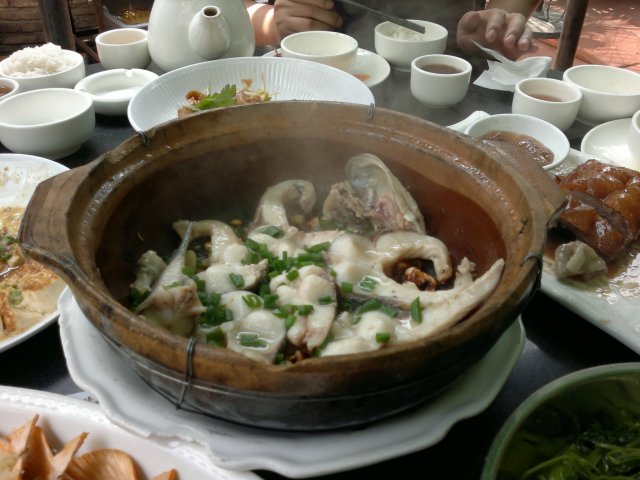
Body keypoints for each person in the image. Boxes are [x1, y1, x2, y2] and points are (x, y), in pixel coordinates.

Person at [245, 0, 540, 61]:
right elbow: (235, 12)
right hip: (319, 71)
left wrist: (495, 27)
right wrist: (277, 21)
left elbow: (506, 11)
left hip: (454, 72)